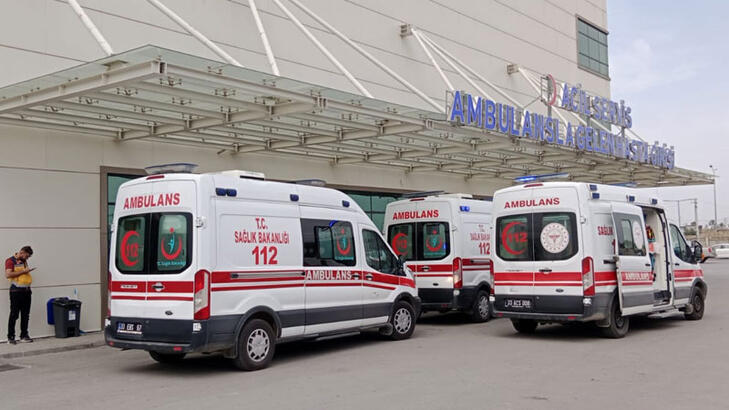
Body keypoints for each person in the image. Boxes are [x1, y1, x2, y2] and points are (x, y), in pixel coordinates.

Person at [6, 246, 35, 344]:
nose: (27, 258)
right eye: (27, 256)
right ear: (22, 252)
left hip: (26, 291)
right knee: (14, 314)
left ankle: (24, 336)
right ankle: (10, 337)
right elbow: (8, 275)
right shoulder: (10, 261)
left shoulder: (24, 261)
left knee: (25, 315)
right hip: (16, 292)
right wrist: (24, 271)